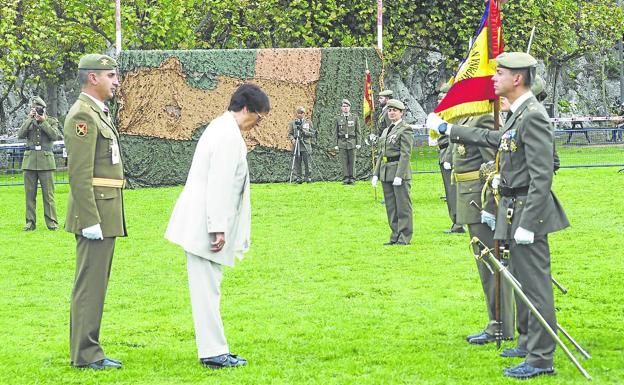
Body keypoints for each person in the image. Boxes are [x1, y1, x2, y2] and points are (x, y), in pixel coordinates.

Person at [427, 52, 570, 379]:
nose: (494, 78)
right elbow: (493, 139)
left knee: (536, 288)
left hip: (526, 213)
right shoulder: (518, 115)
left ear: (517, 79)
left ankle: (541, 358)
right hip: (512, 209)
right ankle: (527, 342)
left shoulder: (532, 115)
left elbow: (542, 175)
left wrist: (529, 223)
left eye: (500, 73)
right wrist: (449, 129)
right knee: (523, 283)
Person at [165, 83, 270, 369]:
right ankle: (213, 352)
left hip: (205, 221)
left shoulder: (223, 129)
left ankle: (215, 349)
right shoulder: (226, 135)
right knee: (206, 291)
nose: (258, 123)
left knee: (210, 289)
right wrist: (218, 227)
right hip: (205, 224)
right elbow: (219, 184)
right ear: (246, 109)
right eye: (259, 116)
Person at [64, 53, 126, 370]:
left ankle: (87, 350)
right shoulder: (82, 116)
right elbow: (78, 173)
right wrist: (89, 220)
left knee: (95, 285)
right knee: (89, 286)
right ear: (93, 78)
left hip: (105, 212)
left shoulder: (96, 112)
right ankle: (86, 355)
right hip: (95, 215)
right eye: (111, 75)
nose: (116, 81)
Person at [449, 112, 515, 345]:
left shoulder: (484, 118)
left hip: (481, 201)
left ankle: (501, 325)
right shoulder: (465, 119)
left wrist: (491, 207)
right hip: (469, 199)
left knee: (492, 265)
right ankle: (495, 321)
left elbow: (493, 168)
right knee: (486, 267)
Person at [371, 99, 414, 245]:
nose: (391, 113)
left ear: (401, 113)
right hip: (386, 171)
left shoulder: (405, 128)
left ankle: (405, 236)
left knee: (403, 206)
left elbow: (405, 154)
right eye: (389, 110)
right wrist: (376, 174)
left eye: (395, 110)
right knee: (391, 207)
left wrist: (399, 176)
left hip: (398, 172)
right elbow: (381, 153)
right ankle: (395, 235)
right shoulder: (386, 130)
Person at [17, 96, 61, 231]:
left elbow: (55, 136)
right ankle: (30, 222)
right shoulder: (29, 121)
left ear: (44, 109)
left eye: (39, 108)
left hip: (46, 161)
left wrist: (43, 122)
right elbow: (20, 134)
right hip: (30, 161)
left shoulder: (52, 121)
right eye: (34, 108)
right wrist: (30, 118)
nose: (36, 111)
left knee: (48, 195)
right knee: (30, 195)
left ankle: (52, 222)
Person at [436, 84, 464, 234]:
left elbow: (454, 137)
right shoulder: (445, 113)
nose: (440, 99)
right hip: (443, 153)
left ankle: (458, 223)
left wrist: (448, 158)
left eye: (443, 96)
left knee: (453, 192)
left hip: (450, 154)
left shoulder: (454, 114)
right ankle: (455, 221)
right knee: (449, 192)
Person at [334, 99, 361, 184]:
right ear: (341, 108)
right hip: (342, 142)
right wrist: (335, 144)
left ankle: (352, 178)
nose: (345, 108)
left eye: (347, 106)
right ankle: (345, 178)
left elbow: (358, 131)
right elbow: (335, 132)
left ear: (349, 107)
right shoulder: (337, 118)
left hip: (352, 142)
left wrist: (358, 143)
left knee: (352, 161)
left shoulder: (354, 117)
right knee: (344, 162)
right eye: (344, 106)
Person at [288, 106, 315, 183]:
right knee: (297, 162)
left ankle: (308, 177)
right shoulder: (293, 123)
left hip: (305, 145)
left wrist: (304, 132)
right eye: (298, 113)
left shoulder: (308, 122)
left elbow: (312, 133)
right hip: (297, 145)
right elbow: (290, 134)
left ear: (304, 114)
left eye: (302, 113)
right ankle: (298, 178)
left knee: (307, 162)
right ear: (296, 114)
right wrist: (292, 139)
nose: (300, 114)